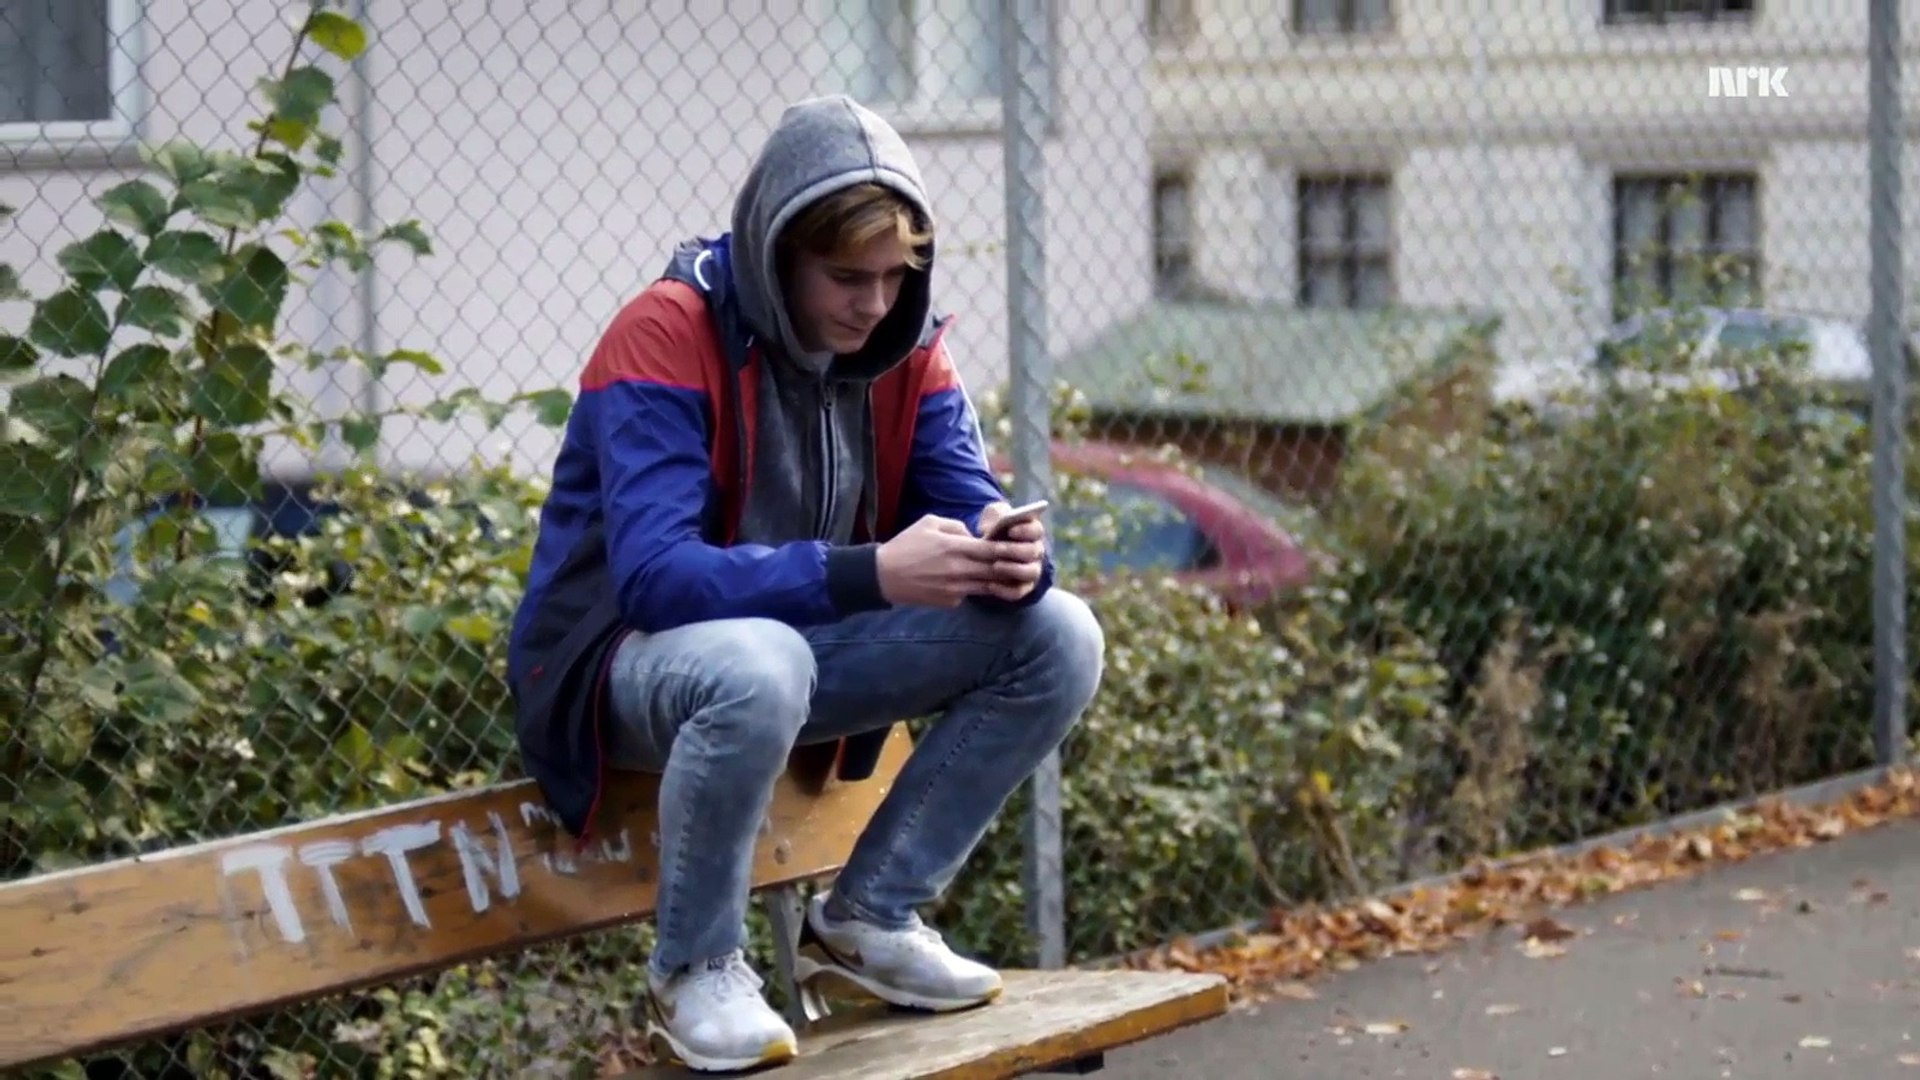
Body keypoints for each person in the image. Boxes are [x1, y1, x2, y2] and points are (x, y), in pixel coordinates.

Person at [506, 94, 1106, 1074]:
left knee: (1059, 636)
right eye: (846, 277)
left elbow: (969, 503)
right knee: (762, 663)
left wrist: (1009, 556)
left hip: (785, 657)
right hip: (621, 669)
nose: (874, 304)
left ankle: (869, 919)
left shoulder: (908, 346)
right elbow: (654, 580)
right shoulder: (664, 332)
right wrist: (870, 572)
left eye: (893, 276)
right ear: (777, 253)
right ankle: (694, 971)